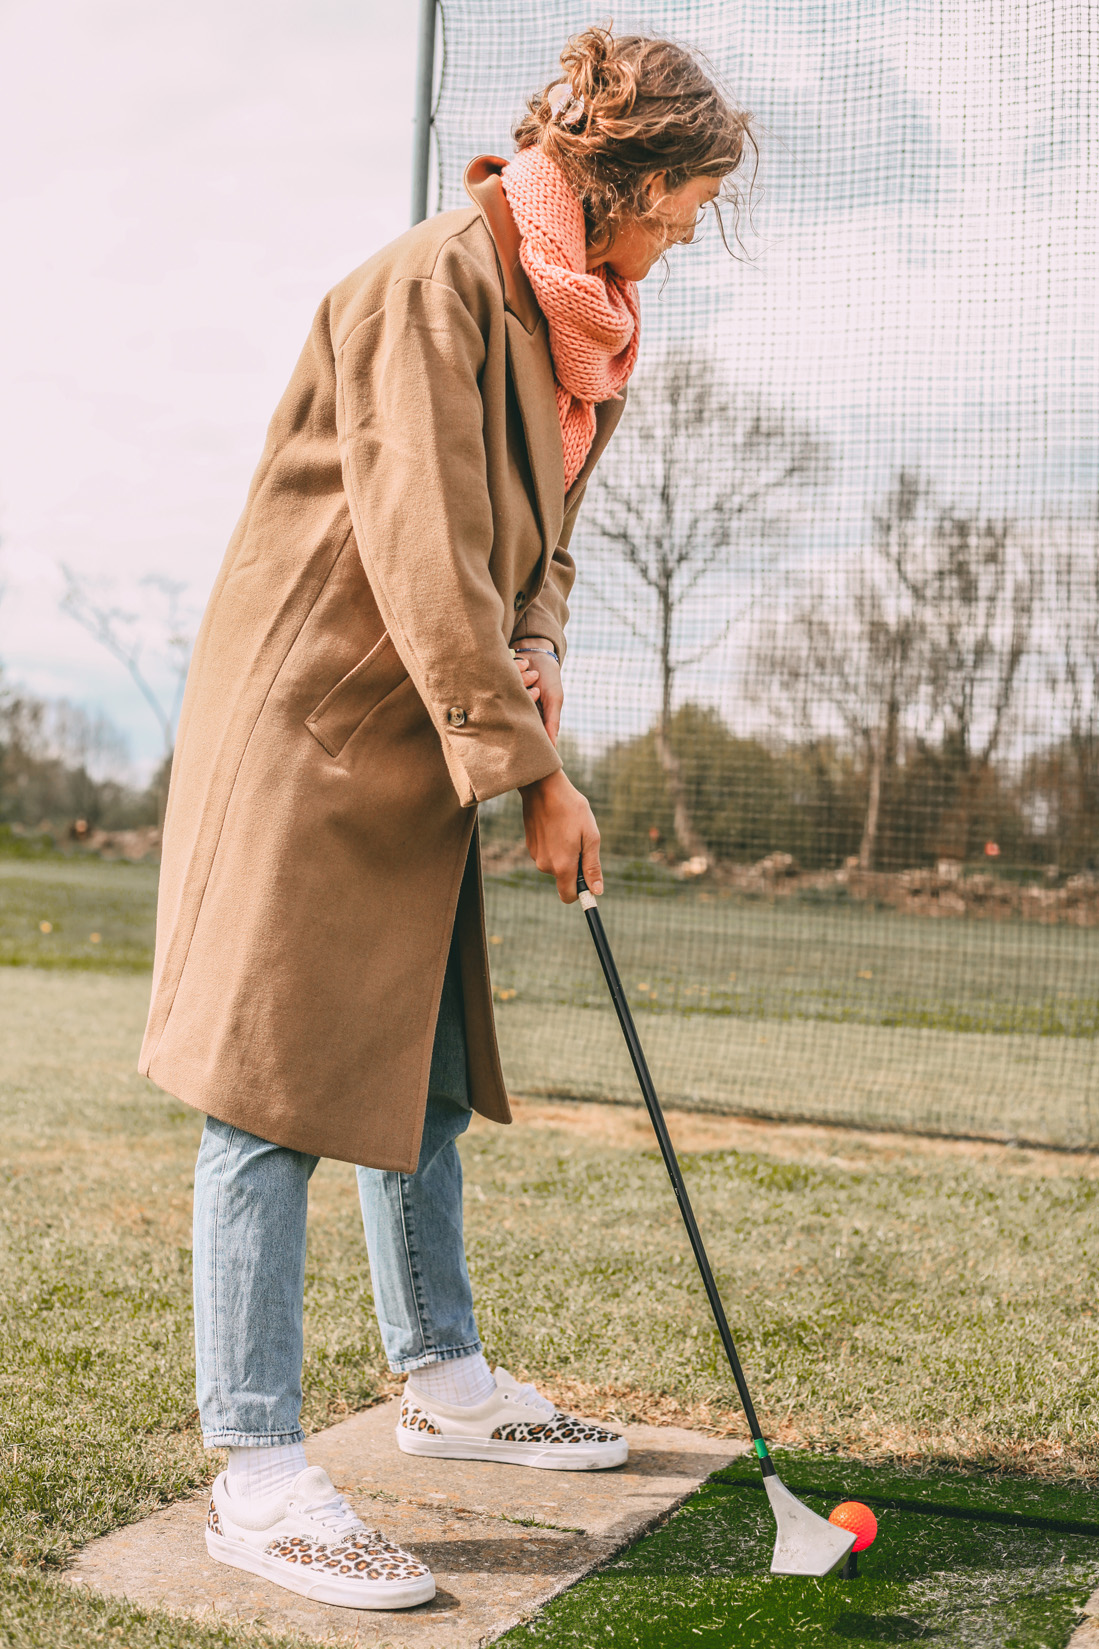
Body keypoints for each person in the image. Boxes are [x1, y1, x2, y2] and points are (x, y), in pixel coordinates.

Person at [140, 25, 755, 1613]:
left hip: (428, 721)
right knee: (268, 1087)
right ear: (613, 179)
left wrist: (538, 656)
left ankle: (445, 1379)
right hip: (317, 721)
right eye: (676, 210)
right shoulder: (433, 286)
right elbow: (418, 543)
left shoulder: (584, 320)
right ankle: (258, 1470)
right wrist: (534, 773)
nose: (678, 245)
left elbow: (533, 541)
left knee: (411, 1056)